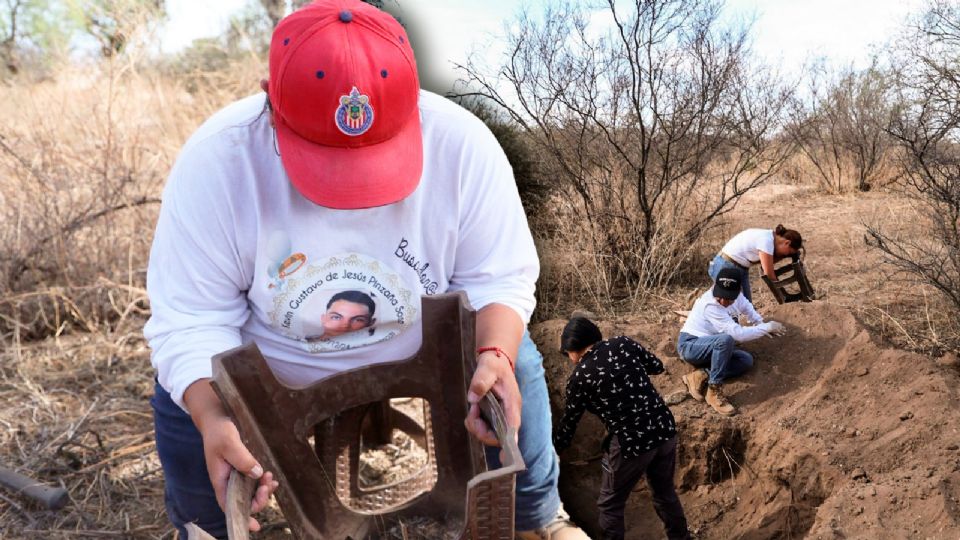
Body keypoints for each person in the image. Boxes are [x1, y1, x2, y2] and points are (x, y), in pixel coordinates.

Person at [144, 1, 587, 538]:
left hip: (425, 344)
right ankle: (206, 529)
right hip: (276, 360)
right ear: (270, 98)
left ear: (411, 96)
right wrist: (213, 416)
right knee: (185, 402)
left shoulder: (462, 144)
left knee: (517, 369)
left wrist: (495, 353)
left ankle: (538, 517)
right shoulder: (218, 161)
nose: (350, 198)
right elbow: (191, 318)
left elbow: (497, 277)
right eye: (325, 156)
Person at [554, 317, 690, 540]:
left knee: (610, 506)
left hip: (631, 443)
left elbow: (569, 424)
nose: (570, 360)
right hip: (664, 429)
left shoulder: (580, 377)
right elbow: (656, 366)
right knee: (665, 494)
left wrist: (554, 451)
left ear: (573, 348)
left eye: (568, 354)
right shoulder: (623, 344)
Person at [677, 268, 786, 416]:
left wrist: (761, 324)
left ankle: (701, 375)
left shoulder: (738, 297)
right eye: (720, 296)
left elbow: (749, 310)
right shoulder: (710, 304)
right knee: (726, 339)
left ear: (738, 291)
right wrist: (766, 328)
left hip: (712, 347)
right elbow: (737, 335)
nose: (723, 301)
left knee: (745, 360)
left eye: (728, 298)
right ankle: (714, 391)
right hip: (691, 346)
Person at [708, 224, 803, 302]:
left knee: (746, 305)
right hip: (726, 266)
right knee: (730, 304)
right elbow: (769, 273)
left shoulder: (769, 237)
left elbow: (766, 263)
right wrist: (785, 295)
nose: (787, 254)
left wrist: (784, 256)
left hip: (738, 267)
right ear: (787, 243)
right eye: (789, 252)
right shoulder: (766, 241)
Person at [305, 290, 377, 341]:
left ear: (371, 323)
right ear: (323, 318)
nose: (345, 325)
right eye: (336, 317)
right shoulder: (303, 347)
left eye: (358, 320)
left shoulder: (374, 353)